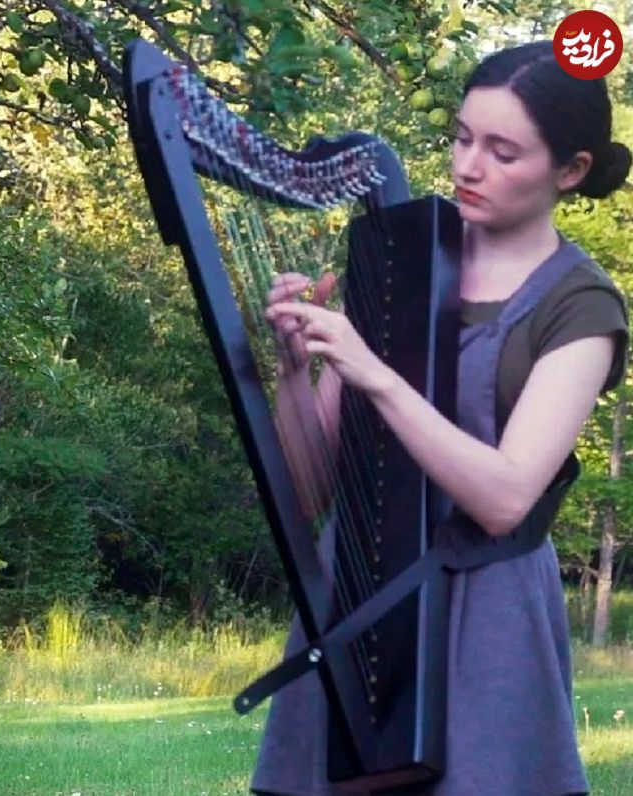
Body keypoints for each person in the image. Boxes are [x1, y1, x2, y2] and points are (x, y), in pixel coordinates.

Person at [249, 41, 630, 796]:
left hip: (488, 618)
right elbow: (310, 486)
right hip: (358, 600)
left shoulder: (581, 306)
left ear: (572, 169)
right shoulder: (401, 257)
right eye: (460, 138)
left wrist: (373, 374)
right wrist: (299, 367)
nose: (467, 167)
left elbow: (506, 497)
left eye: (502, 150)